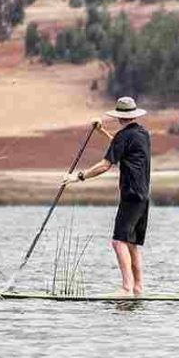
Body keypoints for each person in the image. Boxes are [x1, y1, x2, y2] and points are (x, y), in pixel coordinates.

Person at [62, 96, 152, 296]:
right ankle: (138, 288)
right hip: (143, 196)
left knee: (118, 241)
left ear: (120, 116)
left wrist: (79, 177)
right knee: (132, 244)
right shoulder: (143, 134)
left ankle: (126, 288)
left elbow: (105, 164)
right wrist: (101, 131)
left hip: (130, 195)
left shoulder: (124, 136)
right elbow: (119, 146)